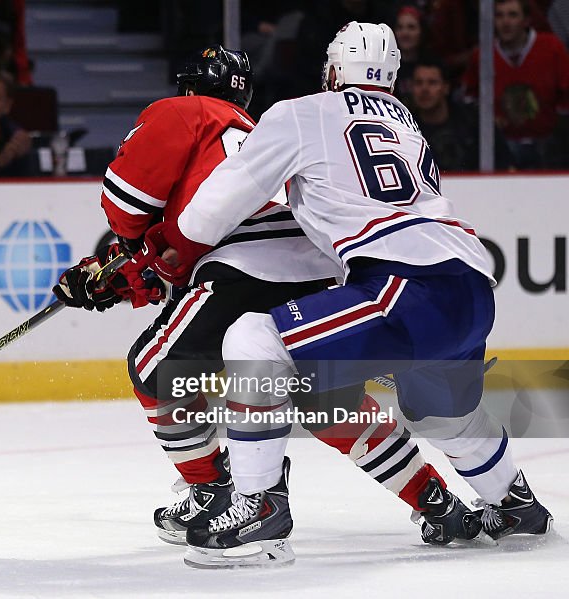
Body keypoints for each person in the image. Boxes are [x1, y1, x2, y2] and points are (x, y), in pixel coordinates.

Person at [139, 22, 554, 568]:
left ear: (333, 70)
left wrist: (167, 245)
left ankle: (256, 503)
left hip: (401, 282)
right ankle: (515, 502)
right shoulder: (410, 127)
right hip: (471, 283)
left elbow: (219, 201)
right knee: (440, 415)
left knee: (255, 337)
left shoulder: (302, 112)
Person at [53, 46, 448, 551]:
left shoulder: (185, 112)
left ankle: (213, 491)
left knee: (154, 369)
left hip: (245, 267)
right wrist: (135, 274)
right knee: (326, 399)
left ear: (190, 87)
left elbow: (130, 203)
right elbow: (195, 233)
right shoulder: (266, 133)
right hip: (314, 274)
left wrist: (125, 252)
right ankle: (434, 499)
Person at [463, 0, 569, 168]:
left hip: (548, 146)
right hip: (501, 148)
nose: (505, 22)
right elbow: (469, 100)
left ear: (526, 20)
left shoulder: (551, 47)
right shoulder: (481, 55)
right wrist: (488, 120)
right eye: (499, 15)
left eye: (512, 15)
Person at [411, 58, 513, 172]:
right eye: (418, 83)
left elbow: (504, 163)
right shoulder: (405, 129)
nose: (424, 89)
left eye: (432, 83)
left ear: (446, 88)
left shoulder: (474, 122)